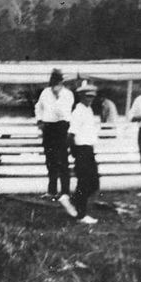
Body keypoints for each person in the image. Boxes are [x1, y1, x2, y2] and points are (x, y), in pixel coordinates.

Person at [59, 80, 100, 225]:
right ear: (81, 96)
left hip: (89, 149)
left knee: (94, 183)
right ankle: (81, 215)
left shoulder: (88, 110)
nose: (91, 99)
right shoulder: (78, 111)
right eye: (88, 96)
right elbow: (71, 134)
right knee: (84, 182)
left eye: (92, 96)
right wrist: (73, 151)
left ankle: (71, 201)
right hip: (81, 150)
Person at [35, 68, 74, 199]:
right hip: (48, 128)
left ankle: (65, 192)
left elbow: (62, 113)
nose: (55, 82)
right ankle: (51, 191)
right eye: (53, 79)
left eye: (58, 79)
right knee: (50, 160)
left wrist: (57, 96)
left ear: (62, 81)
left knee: (62, 160)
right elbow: (38, 107)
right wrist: (39, 120)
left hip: (62, 127)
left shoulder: (67, 94)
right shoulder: (45, 92)